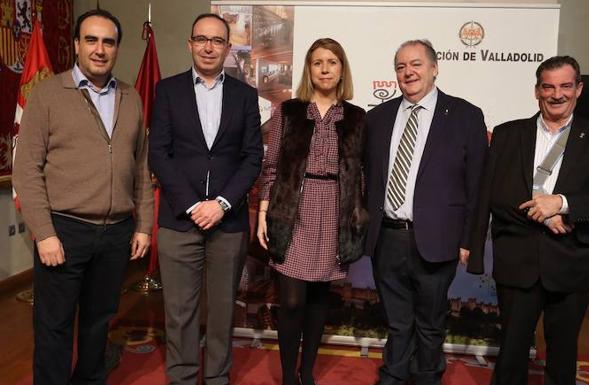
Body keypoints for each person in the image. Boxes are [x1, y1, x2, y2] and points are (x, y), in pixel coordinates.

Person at [12, 9, 153, 385]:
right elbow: (26, 170)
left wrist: (143, 226)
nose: (100, 49)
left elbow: (140, 166)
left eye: (108, 41)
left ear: (117, 48)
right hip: (64, 230)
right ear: (76, 45)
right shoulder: (47, 95)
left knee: (98, 321)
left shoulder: (130, 96)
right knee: (54, 325)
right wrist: (44, 233)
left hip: (115, 233)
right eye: (91, 39)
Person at [468, 56, 589, 385]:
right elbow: (492, 195)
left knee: (563, 353)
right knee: (511, 352)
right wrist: (542, 215)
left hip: (572, 261)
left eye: (566, 86)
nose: (557, 94)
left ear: (579, 89)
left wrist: (563, 204)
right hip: (518, 261)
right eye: (548, 86)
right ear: (536, 91)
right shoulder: (508, 134)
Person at [364, 39, 488, 385]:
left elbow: (477, 187)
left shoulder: (466, 115)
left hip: (437, 239)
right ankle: (393, 374)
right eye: (401, 66)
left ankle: (427, 377)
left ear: (434, 68)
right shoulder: (377, 117)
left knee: (430, 321)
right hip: (387, 237)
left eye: (416, 64)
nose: (408, 72)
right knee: (396, 319)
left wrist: (469, 241)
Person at [148, 13, 263, 385]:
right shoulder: (167, 90)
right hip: (179, 220)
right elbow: (158, 154)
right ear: (190, 44)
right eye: (201, 39)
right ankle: (182, 377)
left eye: (217, 40)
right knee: (179, 311)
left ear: (228, 48)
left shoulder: (246, 96)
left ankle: (217, 378)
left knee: (221, 310)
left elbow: (252, 157)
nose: (209, 46)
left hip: (227, 223)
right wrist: (194, 205)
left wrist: (223, 204)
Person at [256, 38, 367, 385]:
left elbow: (361, 173)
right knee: (291, 301)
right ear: (309, 69)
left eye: (332, 62)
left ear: (341, 69)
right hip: (293, 210)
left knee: (319, 298)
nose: (324, 69)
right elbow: (271, 166)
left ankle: (307, 374)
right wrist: (263, 213)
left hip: (335, 210)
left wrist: (356, 217)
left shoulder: (357, 117)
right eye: (318, 62)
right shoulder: (287, 112)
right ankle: (289, 374)